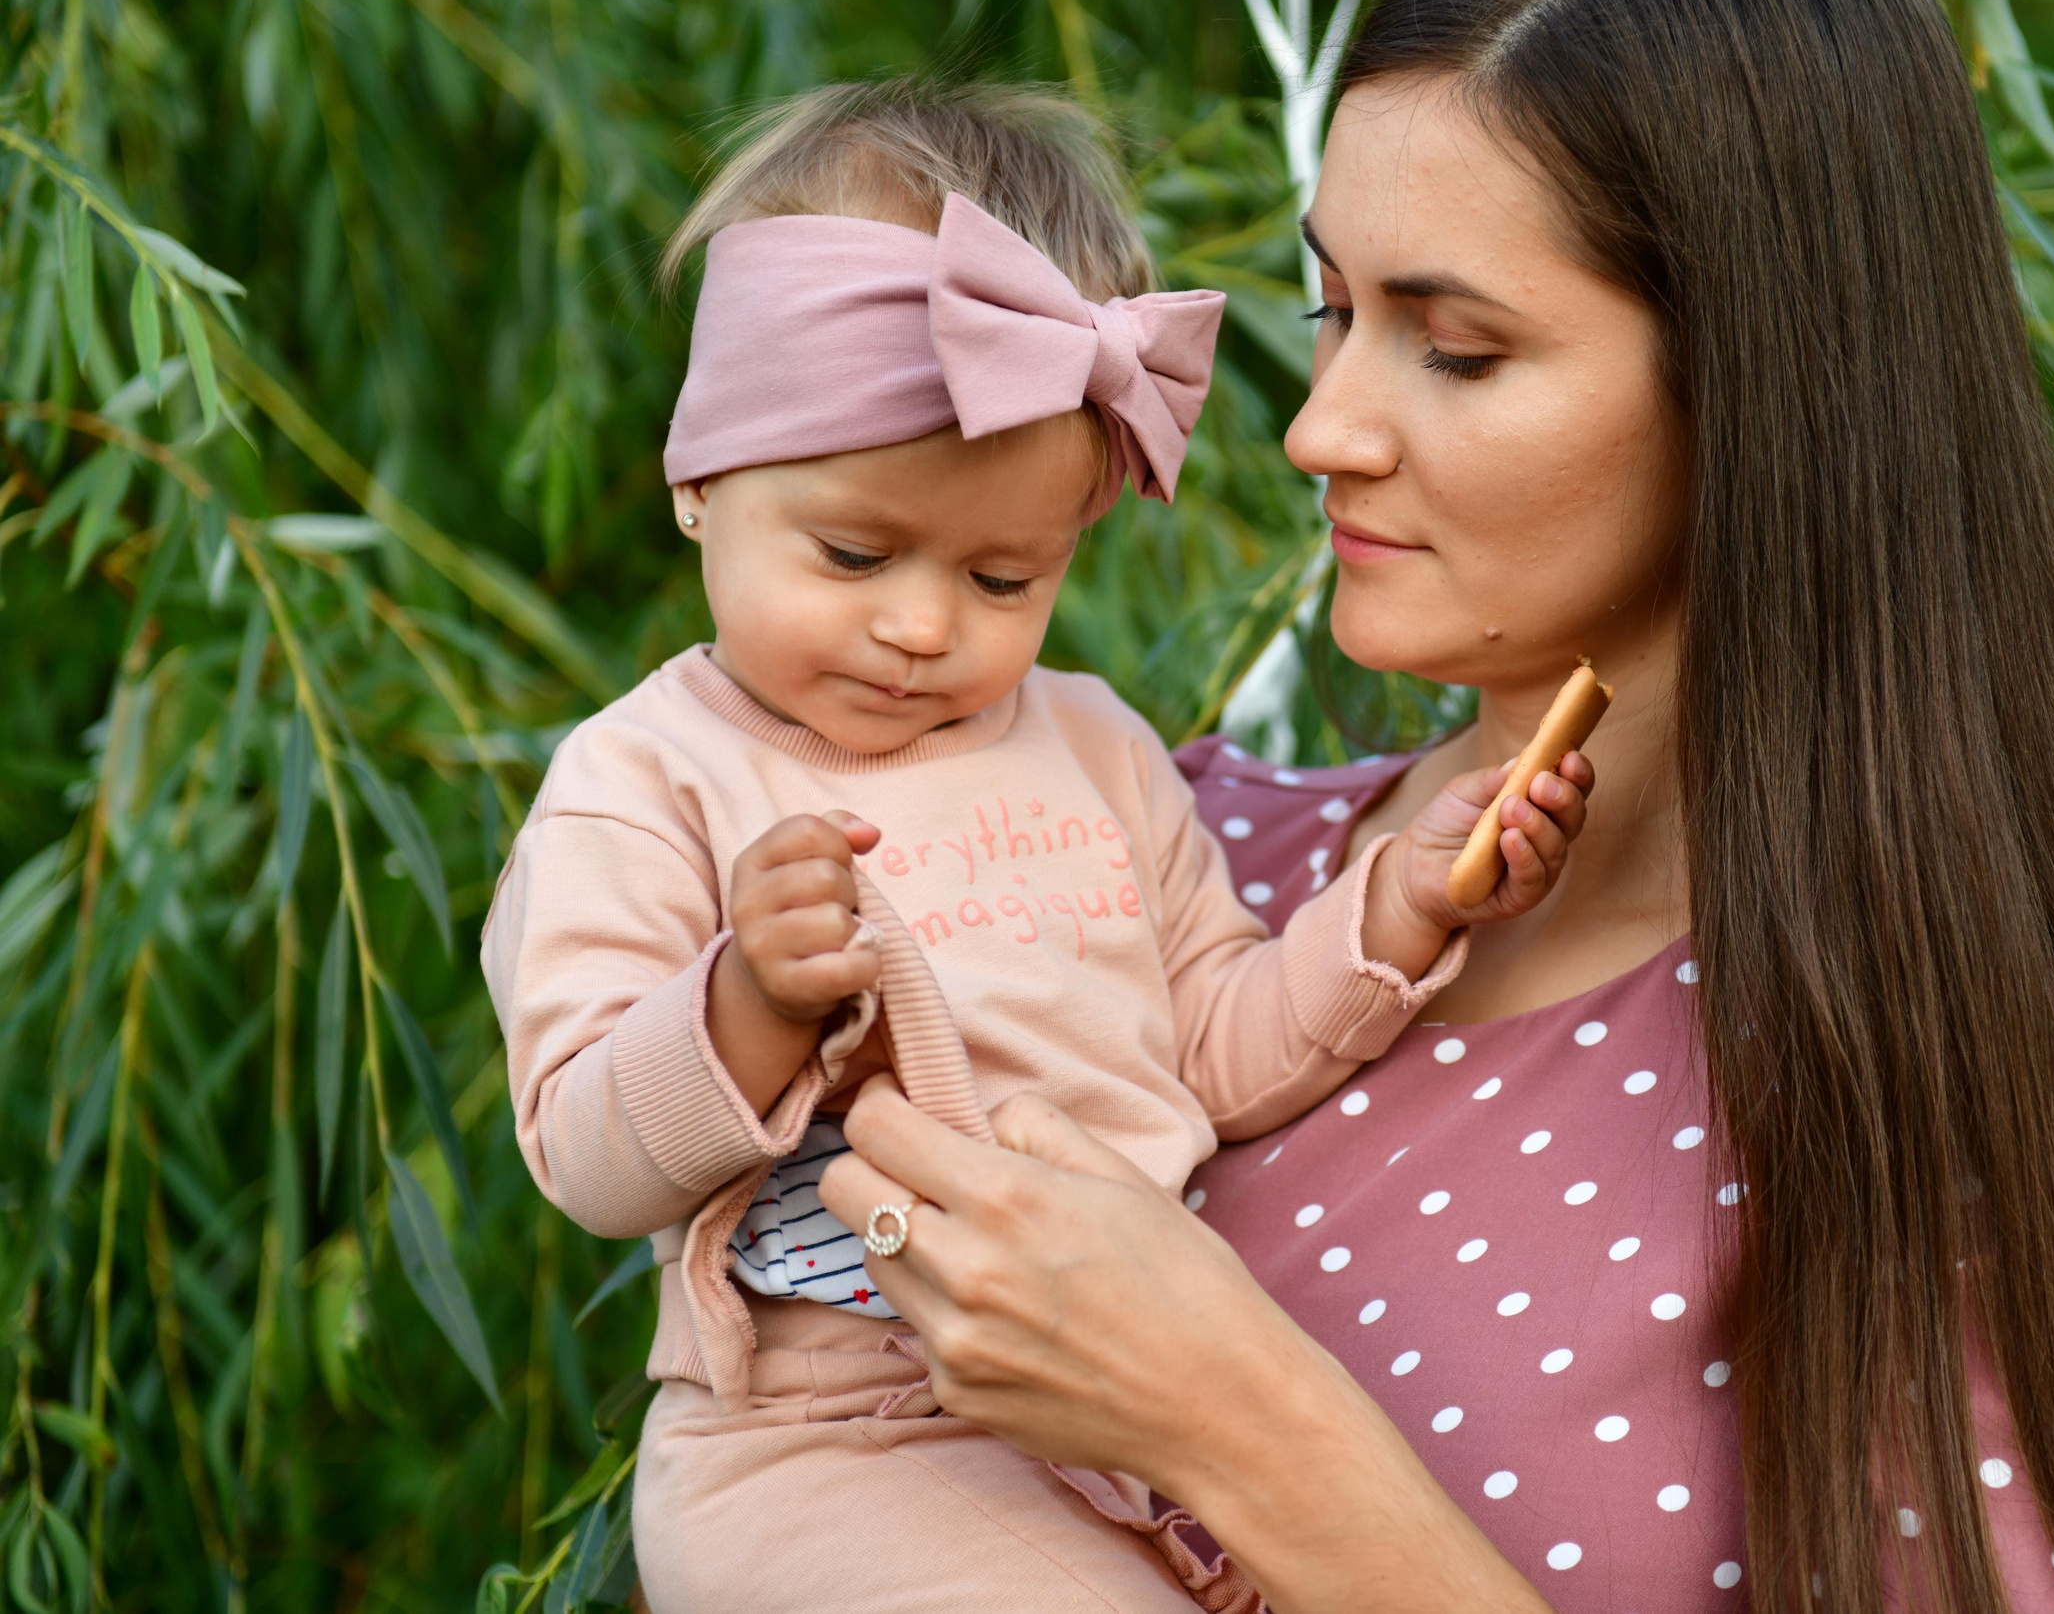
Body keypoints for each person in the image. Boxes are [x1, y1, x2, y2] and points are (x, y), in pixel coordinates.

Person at [813, 0, 2054, 1611]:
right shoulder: (1173, 863)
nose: (1319, 425)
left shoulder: (1915, 1102)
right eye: (1332, 306)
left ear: (1759, 386)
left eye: (1458, 347)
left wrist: (1243, 1424)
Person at [481, 81, 1592, 1612]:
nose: (923, 625)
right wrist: (744, 1002)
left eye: (1004, 578)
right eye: (854, 554)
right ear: (700, 483)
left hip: (1114, 1424)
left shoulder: (1091, 751)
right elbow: (586, 1153)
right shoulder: (651, 780)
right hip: (837, 1439)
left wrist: (1384, 922)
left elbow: (1211, 1049)